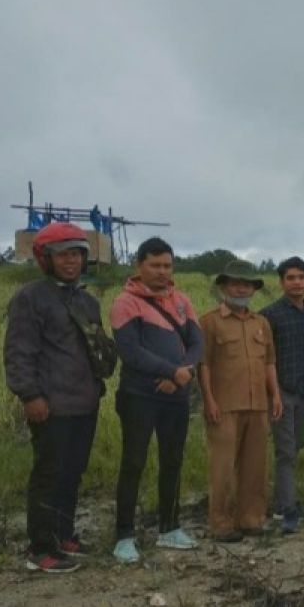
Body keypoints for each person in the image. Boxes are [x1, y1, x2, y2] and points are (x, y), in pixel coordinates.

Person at [5, 222, 106, 573]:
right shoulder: (30, 298)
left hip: (85, 402)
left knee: (72, 473)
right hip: (50, 405)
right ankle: (41, 547)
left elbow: (95, 349)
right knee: (49, 474)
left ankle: (64, 534)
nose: (72, 261)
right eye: (63, 255)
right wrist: (30, 395)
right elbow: (19, 352)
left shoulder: (87, 301)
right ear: (45, 259)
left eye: (77, 254)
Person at [110, 237, 204, 563]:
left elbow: (196, 343)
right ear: (140, 266)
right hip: (139, 395)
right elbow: (131, 351)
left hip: (175, 396)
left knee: (172, 461)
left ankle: (170, 528)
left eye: (167, 265)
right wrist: (170, 371)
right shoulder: (126, 302)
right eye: (155, 265)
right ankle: (124, 535)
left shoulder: (181, 301)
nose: (162, 272)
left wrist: (181, 373)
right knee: (133, 462)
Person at [198, 261, 284, 540]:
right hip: (224, 406)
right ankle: (220, 522)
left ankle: (251, 519)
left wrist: (276, 395)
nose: (241, 288)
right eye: (236, 283)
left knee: (255, 467)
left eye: (247, 284)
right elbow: (204, 365)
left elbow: (269, 362)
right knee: (222, 468)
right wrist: (209, 400)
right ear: (224, 287)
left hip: (258, 405)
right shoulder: (210, 322)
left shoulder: (261, 323)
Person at [260, 256, 304, 534]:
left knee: (293, 447)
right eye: (291, 278)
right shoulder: (269, 315)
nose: (297, 283)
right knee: (285, 450)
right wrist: (273, 394)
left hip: (302, 390)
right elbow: (264, 358)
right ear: (281, 282)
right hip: (279, 393)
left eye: (301, 277)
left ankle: (285, 499)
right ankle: (287, 508)